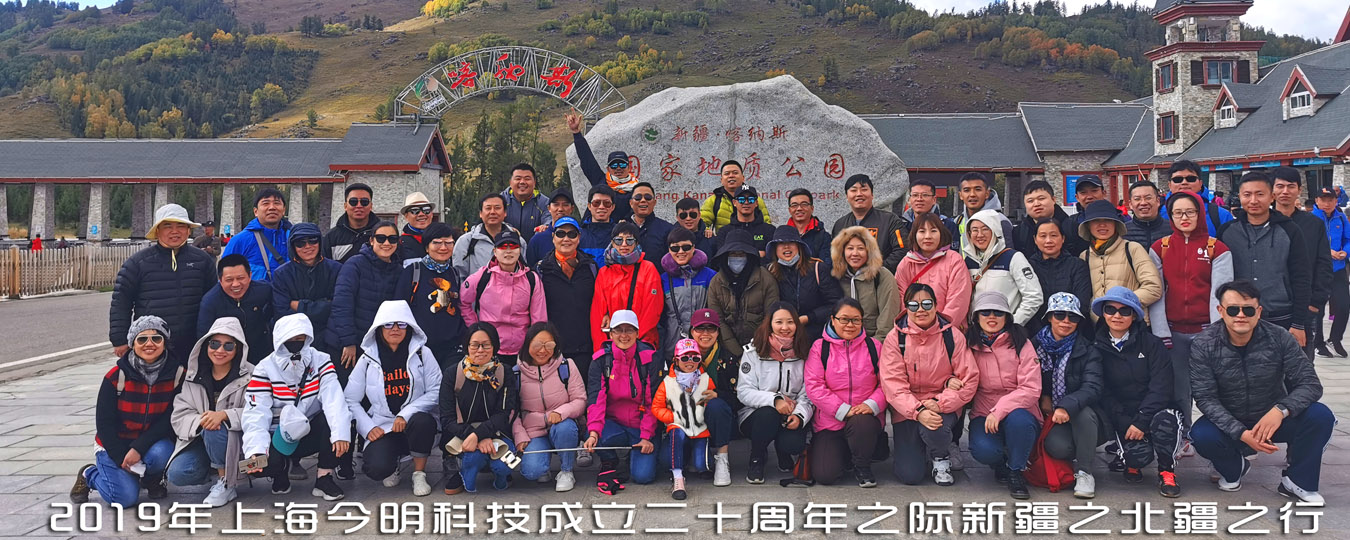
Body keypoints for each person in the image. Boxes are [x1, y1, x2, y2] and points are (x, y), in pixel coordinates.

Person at [1190, 279, 1333, 503]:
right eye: (1233, 309)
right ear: (1221, 311)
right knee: (1201, 435)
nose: (1240, 315)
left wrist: (1281, 410)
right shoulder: (1204, 344)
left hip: (1271, 419)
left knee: (1320, 415)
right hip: (1230, 422)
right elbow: (1205, 398)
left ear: (1258, 312)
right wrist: (1241, 433)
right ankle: (1235, 467)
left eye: (1248, 310)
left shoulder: (1279, 337)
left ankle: (1298, 481)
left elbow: (1310, 384)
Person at [71, 316, 184, 507]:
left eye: (156, 338)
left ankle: (150, 478)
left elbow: (169, 418)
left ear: (165, 342)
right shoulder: (116, 377)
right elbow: (104, 424)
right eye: (142, 339)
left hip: (151, 442)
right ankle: (89, 474)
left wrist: (138, 449)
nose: (149, 344)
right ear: (132, 344)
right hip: (114, 443)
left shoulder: (177, 374)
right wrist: (120, 457)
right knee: (123, 499)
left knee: (162, 452)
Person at [1148, 191, 1232, 444]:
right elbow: (1157, 293)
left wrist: (1217, 332)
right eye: (1178, 213)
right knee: (1179, 388)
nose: (1184, 217)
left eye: (1190, 212)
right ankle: (1183, 435)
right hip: (1173, 331)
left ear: (1200, 214)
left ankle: (1219, 436)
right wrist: (1161, 332)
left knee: (1211, 386)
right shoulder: (1160, 248)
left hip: (1206, 330)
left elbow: (1221, 294)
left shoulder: (1216, 248)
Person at [239, 314, 352, 500]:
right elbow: (256, 411)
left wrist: (340, 434)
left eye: (300, 338)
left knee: (336, 422)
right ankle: (280, 472)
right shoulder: (264, 367)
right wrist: (256, 450)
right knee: (256, 466)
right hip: (278, 435)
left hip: (310, 429)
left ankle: (324, 477)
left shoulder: (321, 360)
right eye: (289, 340)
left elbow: (334, 398)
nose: (295, 343)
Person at [880, 283, 978, 486]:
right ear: (906, 307)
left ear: (935, 305)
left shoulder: (952, 336)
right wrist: (918, 411)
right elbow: (893, 385)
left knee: (935, 428)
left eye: (926, 304)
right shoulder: (895, 338)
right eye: (913, 305)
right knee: (910, 475)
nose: (920, 310)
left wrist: (940, 403)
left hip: (942, 404)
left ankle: (940, 455)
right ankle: (921, 448)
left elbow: (968, 379)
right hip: (908, 408)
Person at [1091, 287, 1182, 497]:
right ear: (1103, 313)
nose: (1117, 316)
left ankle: (1167, 471)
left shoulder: (1152, 344)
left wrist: (1142, 420)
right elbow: (1102, 392)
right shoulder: (1095, 347)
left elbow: (1161, 386)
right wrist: (1127, 422)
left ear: (1134, 316)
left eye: (1125, 311)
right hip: (1123, 415)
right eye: (1110, 309)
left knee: (1166, 420)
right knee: (1137, 456)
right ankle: (1131, 463)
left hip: (1156, 410)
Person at [345, 301, 442, 496]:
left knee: (423, 422)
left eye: (402, 324)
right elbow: (350, 399)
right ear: (379, 328)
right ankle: (393, 463)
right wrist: (368, 427)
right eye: (388, 324)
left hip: (414, 423)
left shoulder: (423, 353)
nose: (395, 329)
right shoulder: (367, 358)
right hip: (383, 425)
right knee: (376, 469)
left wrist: (405, 414)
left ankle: (419, 473)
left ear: (410, 326)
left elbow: (436, 390)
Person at [164, 317, 253, 507]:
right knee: (178, 474)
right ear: (206, 345)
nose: (220, 350)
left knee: (215, 426)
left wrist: (225, 415)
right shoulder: (193, 376)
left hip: (238, 442)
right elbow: (180, 415)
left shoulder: (252, 375)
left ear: (238, 349)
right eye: (214, 344)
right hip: (202, 440)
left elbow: (259, 412)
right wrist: (202, 420)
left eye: (228, 346)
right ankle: (216, 467)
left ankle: (226, 483)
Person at [1217, 172, 1313, 346]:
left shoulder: (1290, 230)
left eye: (1260, 194)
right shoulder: (1227, 232)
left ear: (1272, 197)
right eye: (1247, 195)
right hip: (1239, 318)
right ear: (1240, 197)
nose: (1253, 200)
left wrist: (1299, 323)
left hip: (1281, 315)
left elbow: (1302, 277)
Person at [110, 204, 217, 357]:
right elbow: (121, 302)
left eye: (181, 226)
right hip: (152, 343)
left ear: (188, 230)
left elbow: (214, 300)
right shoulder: (138, 263)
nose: (175, 231)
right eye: (168, 226)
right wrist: (120, 339)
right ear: (157, 231)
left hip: (194, 343)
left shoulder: (202, 260)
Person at [965, 292, 1041, 500]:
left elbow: (1031, 388)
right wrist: (949, 382)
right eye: (985, 312)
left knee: (1020, 422)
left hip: (1020, 408)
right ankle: (1000, 462)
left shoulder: (1021, 342)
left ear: (1007, 316)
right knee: (983, 450)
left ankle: (1016, 470)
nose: (992, 317)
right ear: (976, 317)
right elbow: (956, 372)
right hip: (984, 410)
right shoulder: (969, 343)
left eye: (998, 312)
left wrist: (999, 411)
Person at [803, 298, 886, 487]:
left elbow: (886, 384)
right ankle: (845, 455)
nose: (850, 325)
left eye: (856, 320)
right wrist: (843, 409)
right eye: (844, 319)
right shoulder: (820, 348)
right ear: (833, 320)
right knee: (825, 475)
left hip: (864, 417)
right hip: (830, 420)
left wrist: (871, 405)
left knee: (861, 424)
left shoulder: (874, 347)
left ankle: (862, 465)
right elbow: (814, 386)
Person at [1033, 293, 1103, 499]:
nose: (1066, 321)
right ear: (1049, 317)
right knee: (1058, 448)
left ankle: (1085, 472)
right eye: (1059, 315)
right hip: (1048, 414)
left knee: (1084, 414)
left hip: (1080, 411)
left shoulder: (1088, 349)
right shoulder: (1033, 345)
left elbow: (1092, 386)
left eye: (1072, 317)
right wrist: (1045, 396)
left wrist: (1065, 405)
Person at [583, 310, 663, 487]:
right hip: (613, 423)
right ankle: (609, 460)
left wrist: (646, 436)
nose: (624, 335)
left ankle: (637, 454)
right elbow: (596, 399)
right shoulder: (600, 360)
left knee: (643, 476)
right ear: (611, 334)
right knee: (593, 433)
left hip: (641, 425)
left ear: (637, 333)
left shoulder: (649, 358)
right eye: (618, 330)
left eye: (629, 330)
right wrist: (594, 432)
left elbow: (653, 402)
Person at [736, 303, 815, 483]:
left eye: (790, 322)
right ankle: (756, 458)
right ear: (769, 324)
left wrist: (799, 415)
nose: (785, 327)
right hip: (756, 414)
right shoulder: (753, 351)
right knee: (768, 415)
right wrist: (775, 400)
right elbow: (744, 391)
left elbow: (808, 393)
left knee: (793, 444)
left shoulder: (805, 352)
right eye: (779, 322)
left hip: (791, 411)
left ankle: (783, 451)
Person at [439, 322, 518, 494]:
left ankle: (502, 476)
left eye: (486, 345)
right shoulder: (453, 374)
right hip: (463, 435)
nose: (480, 350)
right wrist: (474, 436)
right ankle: (462, 471)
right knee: (473, 459)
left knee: (505, 466)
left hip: (498, 434)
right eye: (475, 345)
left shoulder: (504, 372)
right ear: (467, 346)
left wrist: (480, 434)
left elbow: (504, 413)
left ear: (494, 346)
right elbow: (447, 418)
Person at [653, 337, 736, 498]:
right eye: (685, 358)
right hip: (678, 427)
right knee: (668, 455)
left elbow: (711, 403)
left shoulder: (705, 379)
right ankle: (678, 477)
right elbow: (656, 407)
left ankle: (692, 458)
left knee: (702, 465)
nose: (690, 362)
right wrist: (673, 417)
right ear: (676, 360)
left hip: (700, 430)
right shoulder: (668, 382)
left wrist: (703, 409)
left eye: (695, 358)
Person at [512, 322, 585, 492]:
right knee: (531, 472)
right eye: (537, 345)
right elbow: (512, 411)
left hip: (561, 424)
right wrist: (519, 435)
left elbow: (580, 400)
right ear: (528, 344)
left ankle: (566, 470)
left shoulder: (566, 366)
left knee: (565, 428)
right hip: (533, 430)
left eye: (549, 345)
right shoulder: (516, 373)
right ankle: (543, 466)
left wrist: (561, 412)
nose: (543, 350)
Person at [460, 229, 548, 366]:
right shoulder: (482, 277)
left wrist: (536, 345)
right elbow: (463, 302)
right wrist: (475, 328)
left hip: (522, 349)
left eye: (513, 246)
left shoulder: (532, 279)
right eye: (502, 246)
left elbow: (539, 317)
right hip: (489, 348)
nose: (508, 251)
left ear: (519, 251)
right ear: (495, 251)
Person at [1272, 167, 1333, 360]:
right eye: (1280, 186)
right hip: (1269, 307)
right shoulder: (1263, 222)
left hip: (1304, 305)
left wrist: (1315, 303)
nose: (1285, 191)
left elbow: (1323, 264)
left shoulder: (1313, 224)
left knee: (1302, 364)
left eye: (1291, 186)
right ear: (1272, 190)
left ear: (1299, 190)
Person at [1077, 199, 1164, 330]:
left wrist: (1123, 306)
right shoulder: (1085, 256)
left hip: (1133, 326)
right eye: (1096, 221)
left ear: (1115, 224)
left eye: (1107, 220)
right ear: (1088, 226)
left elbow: (1154, 287)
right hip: (1100, 329)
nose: (1102, 225)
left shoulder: (1132, 249)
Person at [332, 221, 403, 379]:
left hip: (376, 345)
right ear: (371, 240)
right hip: (347, 344)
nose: (386, 243)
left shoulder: (398, 270)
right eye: (381, 238)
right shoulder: (355, 264)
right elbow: (342, 305)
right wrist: (348, 342)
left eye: (392, 239)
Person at [534, 217, 599, 379]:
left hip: (585, 348)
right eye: (561, 233)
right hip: (554, 349)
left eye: (572, 234)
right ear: (553, 237)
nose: (566, 239)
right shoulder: (541, 270)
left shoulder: (590, 267)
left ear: (579, 238)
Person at [394, 222, 466, 367]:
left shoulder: (454, 273)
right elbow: (399, 308)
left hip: (451, 349)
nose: (443, 247)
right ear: (427, 247)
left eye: (448, 243)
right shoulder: (413, 271)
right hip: (420, 348)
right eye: (437, 243)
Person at [962, 209, 1043, 326]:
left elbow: (1034, 296)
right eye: (975, 230)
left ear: (995, 230)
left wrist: (1014, 323)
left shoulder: (1013, 258)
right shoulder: (968, 261)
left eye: (985, 229)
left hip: (1007, 331)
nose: (980, 235)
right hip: (976, 332)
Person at [272, 223, 343, 355]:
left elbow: (338, 307)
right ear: (292, 246)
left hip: (329, 339)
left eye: (313, 240)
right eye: (300, 243)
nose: (308, 246)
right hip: (295, 340)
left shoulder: (336, 269)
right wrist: (322, 306)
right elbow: (281, 313)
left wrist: (299, 306)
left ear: (320, 242)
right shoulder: (281, 274)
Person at [707, 229, 780, 355]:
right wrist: (738, 353)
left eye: (741, 254)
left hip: (761, 348)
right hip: (727, 351)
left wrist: (754, 349)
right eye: (733, 254)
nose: (737, 257)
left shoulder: (766, 279)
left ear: (749, 256)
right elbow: (718, 321)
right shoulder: (716, 283)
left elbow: (771, 317)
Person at [591, 222, 664, 349]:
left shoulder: (648, 269)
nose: (624, 244)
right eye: (619, 240)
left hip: (642, 344)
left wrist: (632, 340)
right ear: (612, 243)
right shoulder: (604, 272)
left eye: (629, 240)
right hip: (612, 345)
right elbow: (598, 315)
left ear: (636, 243)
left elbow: (652, 310)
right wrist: (600, 349)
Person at [894, 213, 972, 331]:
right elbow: (901, 300)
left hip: (948, 331)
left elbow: (958, 301)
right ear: (914, 235)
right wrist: (913, 327)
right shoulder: (906, 263)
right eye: (922, 231)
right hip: (913, 332)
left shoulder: (954, 261)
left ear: (941, 233)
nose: (928, 236)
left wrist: (941, 328)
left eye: (933, 231)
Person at [766, 225, 843, 341]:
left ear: (799, 246)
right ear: (775, 249)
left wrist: (809, 317)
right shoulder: (769, 272)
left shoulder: (818, 269)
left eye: (791, 242)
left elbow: (836, 304)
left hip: (816, 337)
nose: (786, 246)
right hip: (782, 337)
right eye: (781, 243)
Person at [197, 254, 274, 364]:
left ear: (250, 276)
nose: (236, 284)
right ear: (220, 280)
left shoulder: (264, 290)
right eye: (229, 280)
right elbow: (203, 338)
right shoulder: (210, 301)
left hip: (262, 355)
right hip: (228, 358)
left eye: (241, 278)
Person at [831, 226, 900, 339]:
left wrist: (876, 344)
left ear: (869, 251)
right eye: (850, 248)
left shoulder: (882, 276)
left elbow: (888, 315)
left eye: (861, 248)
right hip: (841, 341)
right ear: (842, 251)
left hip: (872, 339)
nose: (855, 253)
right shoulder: (836, 276)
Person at [568, 110, 635, 223]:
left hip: (620, 232)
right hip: (592, 229)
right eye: (614, 165)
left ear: (629, 168)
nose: (618, 168)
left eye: (623, 164)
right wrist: (576, 133)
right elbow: (586, 158)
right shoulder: (600, 181)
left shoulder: (635, 189)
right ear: (608, 169)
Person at [831, 174, 909, 271]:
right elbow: (836, 254)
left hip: (881, 277)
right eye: (853, 190)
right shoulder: (840, 224)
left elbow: (902, 249)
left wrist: (877, 271)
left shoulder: (890, 220)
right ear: (847, 196)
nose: (859, 194)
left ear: (872, 195)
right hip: (849, 278)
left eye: (864, 189)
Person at [659, 227, 717, 357]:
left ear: (694, 248)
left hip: (704, 345)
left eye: (686, 247)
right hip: (673, 345)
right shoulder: (663, 279)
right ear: (669, 250)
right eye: (675, 248)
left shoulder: (710, 276)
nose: (681, 252)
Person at [1027, 217, 1092, 331]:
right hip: (1035, 331)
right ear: (1035, 239)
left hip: (1070, 327)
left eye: (1054, 235)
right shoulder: (1028, 266)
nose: (1048, 241)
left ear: (1063, 238)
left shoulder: (1077, 265)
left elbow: (1082, 302)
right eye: (1043, 236)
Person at [221, 188, 291, 282]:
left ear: (283, 210)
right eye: (265, 203)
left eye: (276, 203)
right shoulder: (240, 241)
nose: (272, 207)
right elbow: (225, 277)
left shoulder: (293, 238)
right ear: (256, 211)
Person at [1312, 187, 1350, 357]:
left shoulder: (1340, 217)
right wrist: (1327, 252)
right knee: (1317, 309)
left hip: (1338, 269)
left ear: (1336, 201)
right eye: (1323, 200)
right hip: (1317, 270)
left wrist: (1345, 252)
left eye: (1330, 200)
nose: (1327, 204)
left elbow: (1348, 239)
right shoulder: (1310, 219)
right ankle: (1318, 343)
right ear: (1316, 201)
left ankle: (1335, 339)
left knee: (1343, 306)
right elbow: (1307, 243)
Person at [453, 194, 523, 278]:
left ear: (505, 213)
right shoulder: (467, 241)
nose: (492, 212)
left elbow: (523, 270)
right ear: (480, 213)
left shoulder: (517, 240)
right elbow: (459, 275)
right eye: (488, 208)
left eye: (497, 208)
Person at [1160, 160, 1234, 236]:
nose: (1184, 182)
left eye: (1191, 179)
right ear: (1169, 185)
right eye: (1177, 180)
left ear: (1200, 183)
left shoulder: (1221, 215)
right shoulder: (1158, 213)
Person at [1014, 180, 1086, 257]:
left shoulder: (1074, 229)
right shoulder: (1018, 233)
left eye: (1041, 198)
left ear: (1053, 200)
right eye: (1030, 201)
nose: (1036, 204)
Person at [701, 161, 773, 234]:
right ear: (721, 180)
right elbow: (701, 224)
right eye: (727, 173)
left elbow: (767, 225)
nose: (731, 176)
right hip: (724, 240)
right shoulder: (714, 200)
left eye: (735, 173)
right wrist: (706, 231)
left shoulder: (755, 199)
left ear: (743, 178)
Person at [955, 173, 1014, 251]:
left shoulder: (1000, 221)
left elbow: (1008, 254)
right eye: (967, 190)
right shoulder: (958, 221)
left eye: (978, 189)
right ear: (960, 195)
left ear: (987, 194)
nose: (972, 194)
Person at [324, 183, 377, 263]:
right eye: (353, 201)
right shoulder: (332, 237)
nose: (359, 206)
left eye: (364, 202)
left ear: (371, 206)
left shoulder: (382, 235)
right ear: (345, 206)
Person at [715, 185, 775, 256]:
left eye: (751, 199)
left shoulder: (769, 230)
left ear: (756, 203)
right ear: (734, 202)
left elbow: (772, 257)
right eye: (741, 199)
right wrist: (758, 254)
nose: (746, 202)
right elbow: (722, 257)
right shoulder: (724, 232)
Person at [899, 179, 960, 247]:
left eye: (925, 195)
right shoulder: (901, 225)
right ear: (909, 199)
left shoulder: (947, 225)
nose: (919, 199)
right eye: (915, 195)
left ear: (934, 199)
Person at [525, 188, 577, 266]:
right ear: (549, 208)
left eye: (565, 205)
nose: (560, 209)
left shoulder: (580, 236)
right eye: (556, 204)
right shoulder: (537, 240)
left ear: (572, 208)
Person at [628, 182, 675, 266]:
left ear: (654, 202)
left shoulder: (668, 230)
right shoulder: (622, 229)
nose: (643, 200)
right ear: (631, 203)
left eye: (648, 197)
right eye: (638, 197)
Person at [786, 188, 834, 269]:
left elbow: (826, 267)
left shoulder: (823, 237)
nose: (799, 208)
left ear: (812, 208)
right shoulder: (783, 236)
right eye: (794, 205)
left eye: (804, 204)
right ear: (790, 210)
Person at [501, 163, 552, 235]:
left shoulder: (544, 202)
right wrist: (508, 228)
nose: (522, 182)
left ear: (534, 183)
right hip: (506, 240)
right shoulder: (500, 200)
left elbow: (549, 220)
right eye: (518, 179)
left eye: (527, 179)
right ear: (510, 182)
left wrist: (545, 227)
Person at [1124, 181, 1171, 247]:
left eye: (1148, 198)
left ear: (1158, 201)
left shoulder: (1172, 229)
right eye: (1137, 199)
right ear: (1130, 204)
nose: (1143, 203)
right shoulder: (1122, 232)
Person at [580, 185, 619, 263]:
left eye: (606, 203)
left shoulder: (620, 234)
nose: (601, 207)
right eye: (596, 203)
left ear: (613, 207)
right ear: (589, 206)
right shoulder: (578, 234)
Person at [397, 192, 437, 264]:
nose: (421, 214)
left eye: (426, 210)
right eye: (415, 211)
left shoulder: (443, 238)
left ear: (432, 214)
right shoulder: (399, 243)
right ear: (406, 216)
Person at [1065, 175, 1108, 242]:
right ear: (1077, 197)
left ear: (1104, 193)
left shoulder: (1118, 219)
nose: (1089, 197)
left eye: (1094, 191)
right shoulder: (1070, 224)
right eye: (1083, 192)